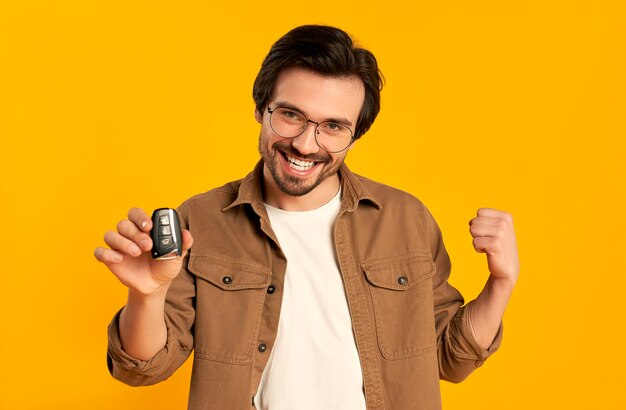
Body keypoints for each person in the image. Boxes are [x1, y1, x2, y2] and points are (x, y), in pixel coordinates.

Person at [95, 25, 519, 410]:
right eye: (291, 115)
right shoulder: (202, 220)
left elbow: (451, 357)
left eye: (333, 126)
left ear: (356, 134)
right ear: (262, 109)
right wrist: (147, 295)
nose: (305, 143)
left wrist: (501, 282)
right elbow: (143, 368)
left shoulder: (406, 219)